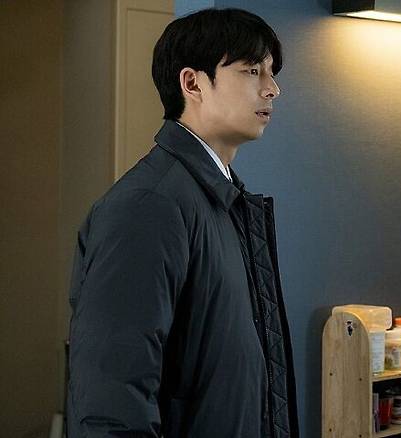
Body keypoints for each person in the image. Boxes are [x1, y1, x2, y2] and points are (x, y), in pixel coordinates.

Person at [66, 8, 298, 437]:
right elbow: (110, 400)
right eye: (252, 70)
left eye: (271, 72)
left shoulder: (220, 200)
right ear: (192, 83)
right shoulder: (149, 206)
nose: (272, 88)